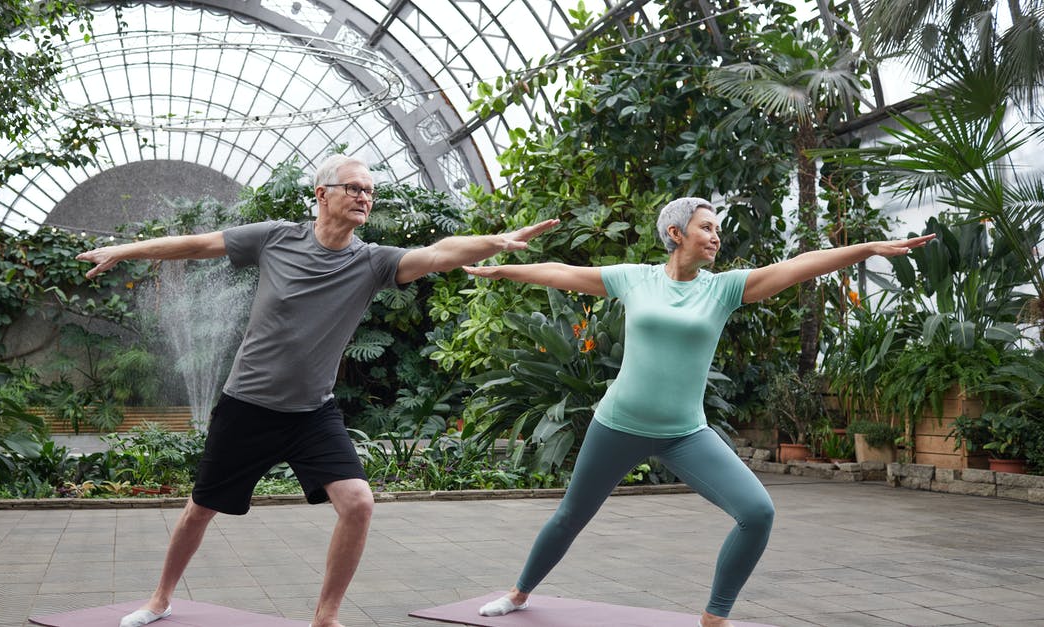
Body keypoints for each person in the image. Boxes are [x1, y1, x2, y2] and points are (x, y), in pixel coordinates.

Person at [76, 154, 558, 627]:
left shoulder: (372, 263)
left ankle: (325, 618)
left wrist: (495, 241)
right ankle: (160, 599)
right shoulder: (275, 238)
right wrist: (125, 250)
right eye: (354, 188)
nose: (364, 197)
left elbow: (438, 253)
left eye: (369, 191)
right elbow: (197, 245)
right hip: (247, 406)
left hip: (312, 412)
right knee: (201, 509)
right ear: (321, 194)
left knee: (359, 503)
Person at [464, 197, 935, 627]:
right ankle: (519, 593)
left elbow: (799, 266)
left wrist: (866, 248)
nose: (716, 236)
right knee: (571, 515)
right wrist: (503, 271)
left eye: (717, 229)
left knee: (757, 512)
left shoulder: (723, 290)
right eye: (706, 227)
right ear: (675, 233)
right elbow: (561, 272)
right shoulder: (634, 279)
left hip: (684, 434)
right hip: (617, 425)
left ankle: (715, 617)